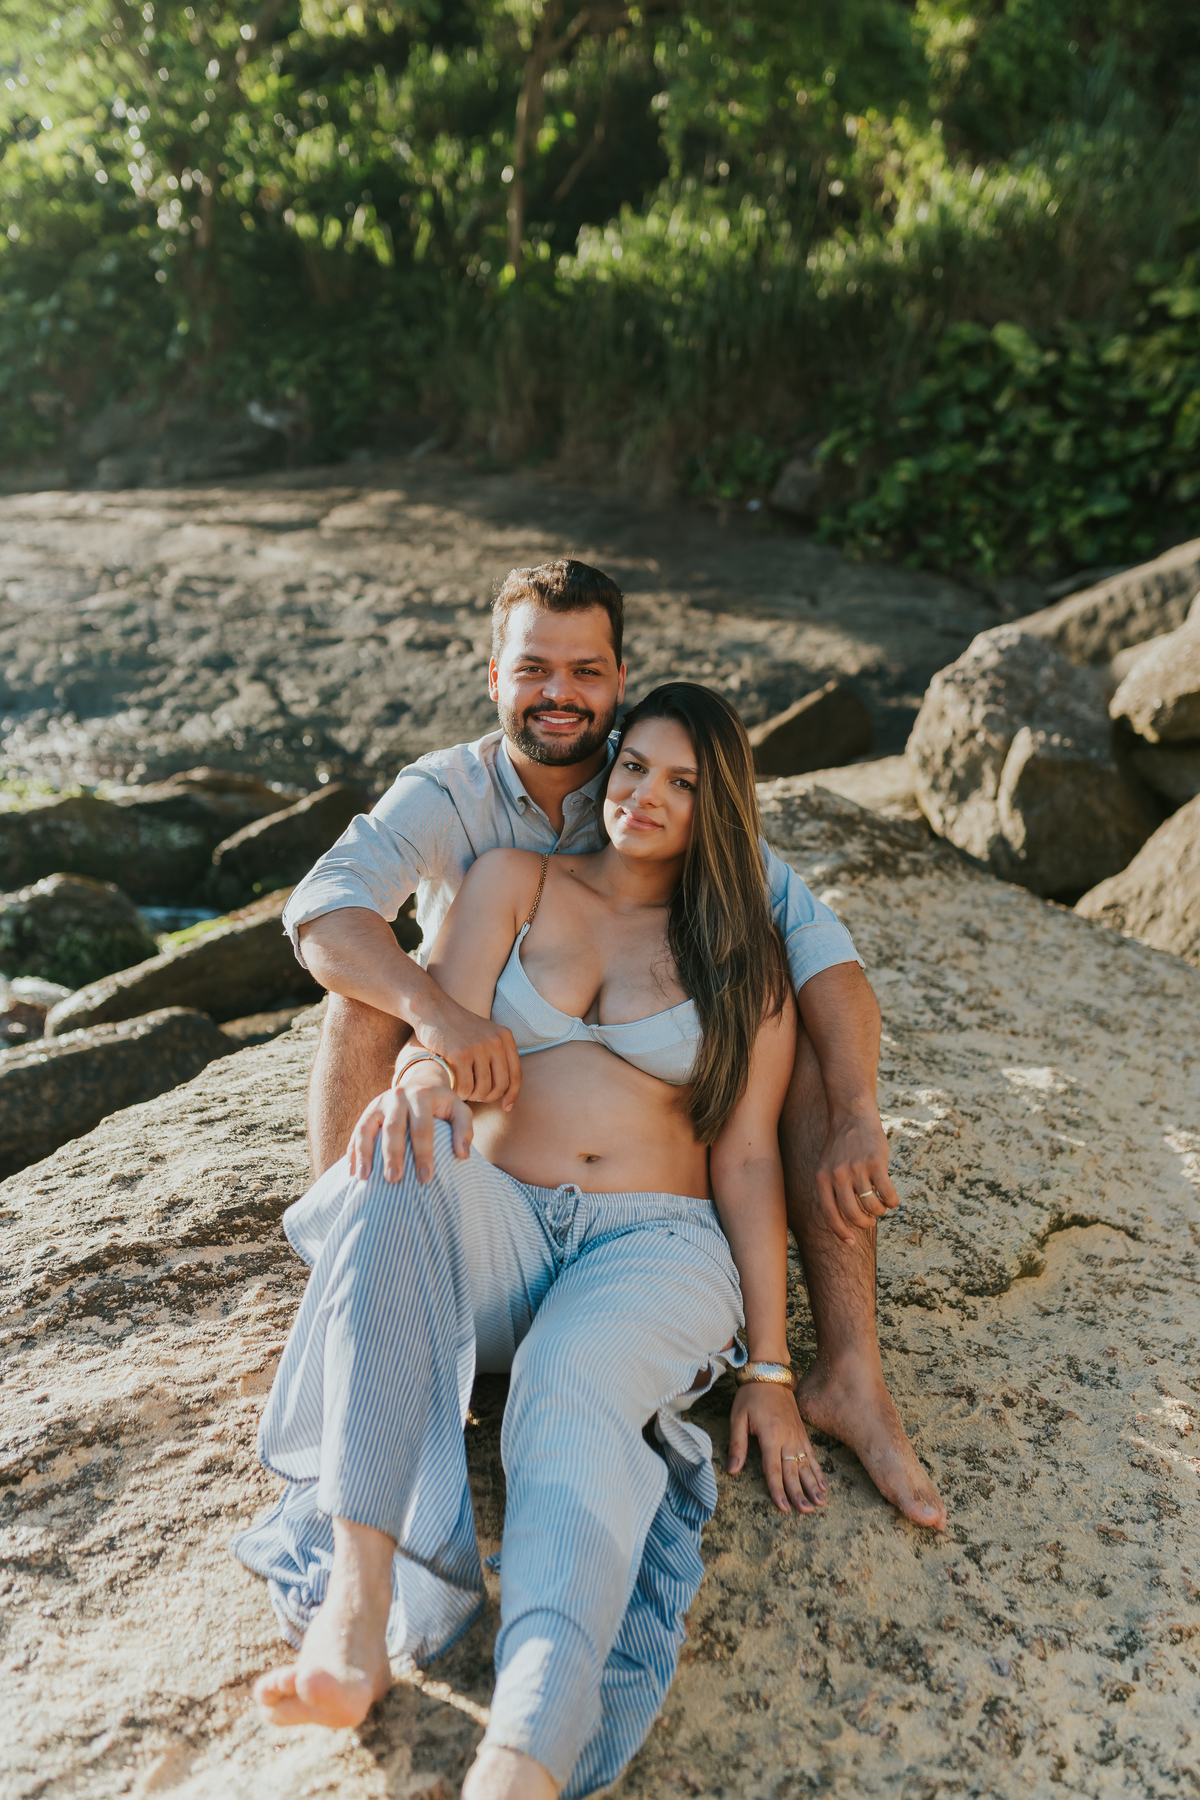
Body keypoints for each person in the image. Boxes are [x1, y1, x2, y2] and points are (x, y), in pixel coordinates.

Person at [235, 684, 830, 1800]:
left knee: (568, 1390)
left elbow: (748, 1162)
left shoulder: (746, 952)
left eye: (683, 783)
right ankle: (356, 1626)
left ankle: (525, 1757)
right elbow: (437, 1034)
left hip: (655, 1246)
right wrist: (414, 1085)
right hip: (504, 1217)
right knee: (393, 1163)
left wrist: (772, 1365)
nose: (646, 795)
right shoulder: (518, 880)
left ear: (721, 809)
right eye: (635, 767)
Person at [281, 559, 944, 1532]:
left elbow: (825, 961)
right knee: (367, 993)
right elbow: (321, 912)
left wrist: (854, 1111)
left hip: (626, 1176)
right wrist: (438, 1015)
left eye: (585, 671)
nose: (560, 693)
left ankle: (847, 1368)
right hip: (473, 1095)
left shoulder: (651, 781)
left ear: (620, 680)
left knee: (795, 1054)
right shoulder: (448, 791)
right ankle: (369, 1281)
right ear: (494, 676)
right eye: (535, 668)